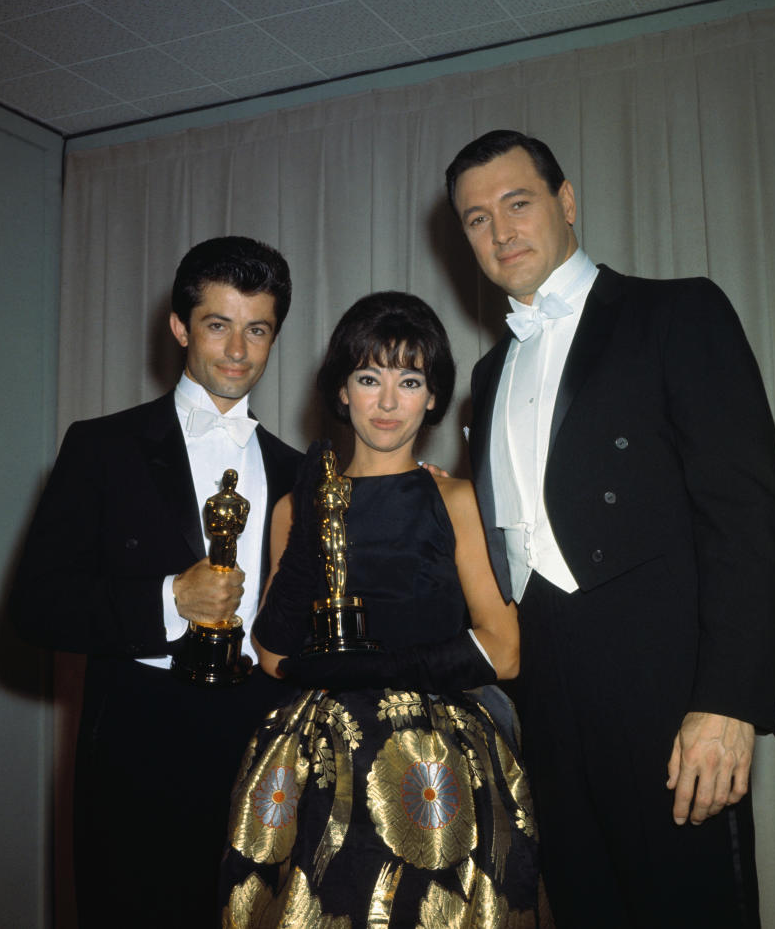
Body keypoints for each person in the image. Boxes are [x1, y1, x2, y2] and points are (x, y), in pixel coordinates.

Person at [445, 130, 775, 928]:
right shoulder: (489, 373)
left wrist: (729, 703)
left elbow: (746, 517)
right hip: (549, 709)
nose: (499, 231)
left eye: (517, 203)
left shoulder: (679, 311)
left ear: (567, 203)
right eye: (475, 219)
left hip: (671, 702)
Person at [219, 292, 549, 927]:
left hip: (438, 760)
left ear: (433, 396)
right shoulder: (297, 505)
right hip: (317, 765)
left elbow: (504, 648)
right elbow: (272, 651)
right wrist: (314, 514)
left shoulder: (457, 499)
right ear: (342, 392)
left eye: (410, 380)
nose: (389, 401)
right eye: (369, 378)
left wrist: (376, 669)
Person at [10, 236, 302, 927]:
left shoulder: (300, 470)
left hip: (261, 742)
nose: (237, 350)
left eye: (256, 329)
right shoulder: (101, 447)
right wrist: (171, 598)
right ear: (179, 326)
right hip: (137, 746)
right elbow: (35, 606)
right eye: (217, 324)